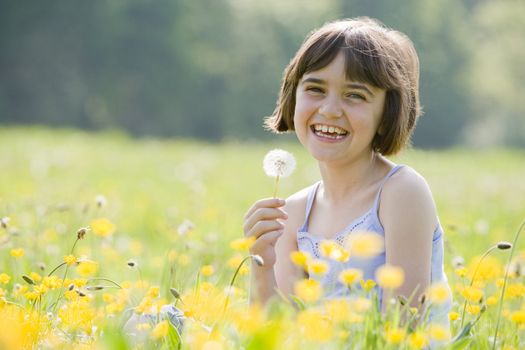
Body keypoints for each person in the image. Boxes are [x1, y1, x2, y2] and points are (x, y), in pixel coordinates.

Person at [243, 17, 451, 325]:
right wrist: (262, 263)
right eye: (315, 88)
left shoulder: (401, 193)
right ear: (293, 95)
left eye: (355, 94)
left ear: (387, 113)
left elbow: (403, 328)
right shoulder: (295, 213)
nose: (329, 109)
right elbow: (276, 335)